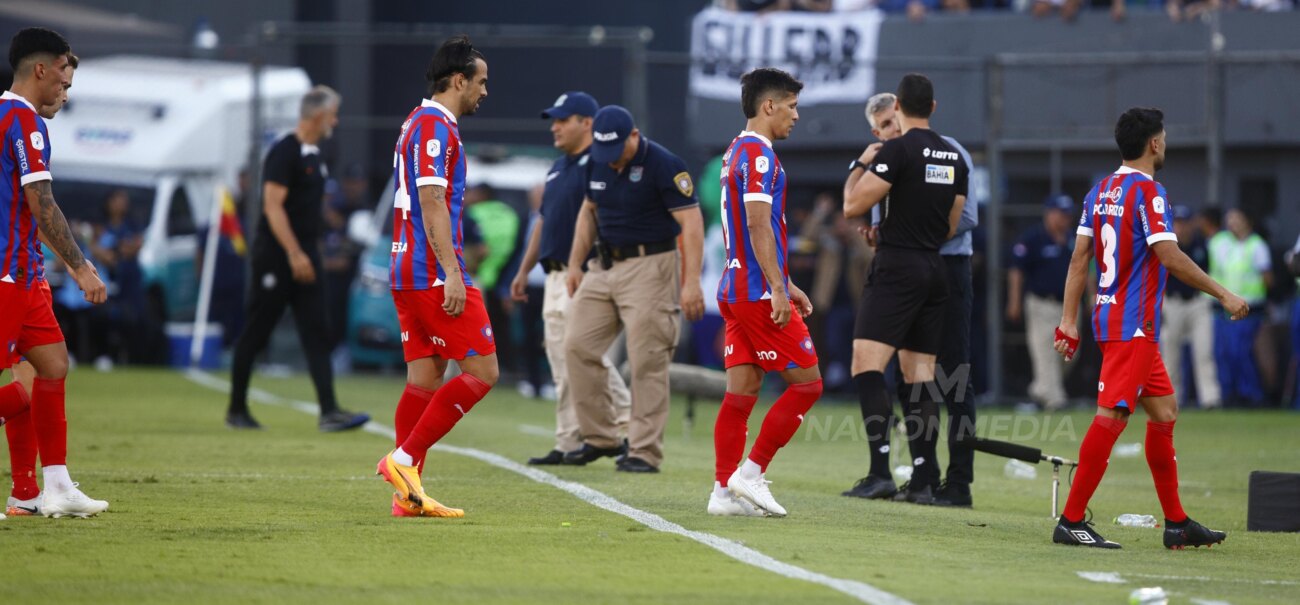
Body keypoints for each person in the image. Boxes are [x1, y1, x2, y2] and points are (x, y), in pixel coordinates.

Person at [1051, 107, 1246, 549]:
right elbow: (1171, 258)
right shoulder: (1150, 193)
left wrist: (1068, 320)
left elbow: (1080, 258)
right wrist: (1224, 294)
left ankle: (1176, 522)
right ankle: (1071, 519)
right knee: (1114, 415)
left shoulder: (1098, 192)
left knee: (1164, 411)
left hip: (1110, 317)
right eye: (1165, 137)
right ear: (1154, 144)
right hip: (1132, 324)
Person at [376, 35, 498, 518]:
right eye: (481, 82)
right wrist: (452, 271)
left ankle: (408, 496)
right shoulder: (434, 127)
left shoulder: (417, 121)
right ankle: (403, 461)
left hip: (406, 266)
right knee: (484, 371)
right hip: (430, 270)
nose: (485, 92)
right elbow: (431, 201)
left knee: (425, 376)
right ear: (459, 80)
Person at [842, 90, 980, 507]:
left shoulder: (928, 152)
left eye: (894, 121)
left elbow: (968, 218)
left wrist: (903, 232)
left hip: (942, 267)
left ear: (903, 111)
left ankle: (956, 482)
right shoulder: (915, 154)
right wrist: (884, 230)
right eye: (884, 126)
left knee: (952, 376)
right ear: (876, 128)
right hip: (926, 266)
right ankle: (924, 476)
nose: (893, 129)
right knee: (913, 376)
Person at [0, 28, 110, 519]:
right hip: (7, 276)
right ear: (40, 70)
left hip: (25, 275)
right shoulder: (24, 122)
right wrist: (82, 267)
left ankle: (47, 489)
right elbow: (42, 206)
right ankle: (38, 489)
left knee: (51, 366)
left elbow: (29, 211)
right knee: (20, 382)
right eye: (63, 77)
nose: (66, 90)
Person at [562, 105, 705, 473]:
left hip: (652, 266)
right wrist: (576, 264)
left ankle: (643, 451)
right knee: (576, 345)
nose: (609, 162)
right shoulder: (597, 160)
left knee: (647, 360)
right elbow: (588, 211)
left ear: (634, 136)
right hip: (604, 264)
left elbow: (690, 223)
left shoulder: (664, 163)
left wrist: (691, 283)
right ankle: (601, 437)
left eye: (616, 152)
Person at [708, 67, 822, 518]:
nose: (796, 115)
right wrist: (776, 287)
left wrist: (786, 283)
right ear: (768, 105)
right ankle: (751, 473)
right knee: (809, 384)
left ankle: (722, 494)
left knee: (741, 394)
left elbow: (755, 227)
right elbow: (757, 224)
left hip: (736, 288)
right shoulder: (758, 156)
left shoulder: (735, 149)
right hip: (755, 292)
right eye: (791, 106)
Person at [224, 85, 369, 432]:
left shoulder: (315, 155)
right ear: (319, 115)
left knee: (317, 331)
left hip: (306, 258)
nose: (336, 120)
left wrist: (311, 252)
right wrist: (293, 252)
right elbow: (272, 208)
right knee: (258, 331)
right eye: (333, 113)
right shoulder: (284, 152)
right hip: (277, 258)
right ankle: (237, 409)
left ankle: (329, 411)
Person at [509, 91, 631, 466]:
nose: (556, 127)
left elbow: (607, 218)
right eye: (554, 120)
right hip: (553, 276)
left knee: (582, 355)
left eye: (563, 120)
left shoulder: (600, 163)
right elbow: (543, 222)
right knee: (561, 359)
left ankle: (627, 428)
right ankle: (568, 441)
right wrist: (523, 269)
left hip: (585, 273)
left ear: (587, 123)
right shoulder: (558, 168)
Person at [1007, 195, 1078, 411]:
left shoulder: (1074, 238)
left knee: (1070, 353)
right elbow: (1016, 271)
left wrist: (1092, 295)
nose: (1064, 219)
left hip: (1069, 305)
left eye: (1067, 214)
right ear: (1049, 213)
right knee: (1044, 351)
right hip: (1041, 303)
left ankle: (1040, 390)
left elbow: (1088, 268)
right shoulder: (1033, 238)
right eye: (1060, 213)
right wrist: (1014, 301)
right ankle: (1055, 400)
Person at [1207, 208, 1271, 407]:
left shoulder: (1256, 245)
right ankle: (1229, 394)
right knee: (1223, 353)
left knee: (1241, 352)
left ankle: (1251, 395)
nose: (1232, 223)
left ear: (1247, 221)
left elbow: (1267, 279)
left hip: (1248, 309)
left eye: (1237, 219)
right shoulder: (1221, 243)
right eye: (1229, 219)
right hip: (1223, 308)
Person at [1161, 204, 1220, 408]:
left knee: (1204, 351)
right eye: (1177, 222)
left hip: (1197, 302)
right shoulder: (1164, 245)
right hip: (1172, 302)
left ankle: (1210, 399)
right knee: (1170, 353)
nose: (1181, 227)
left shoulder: (1201, 245)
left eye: (1184, 223)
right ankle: (1172, 399)